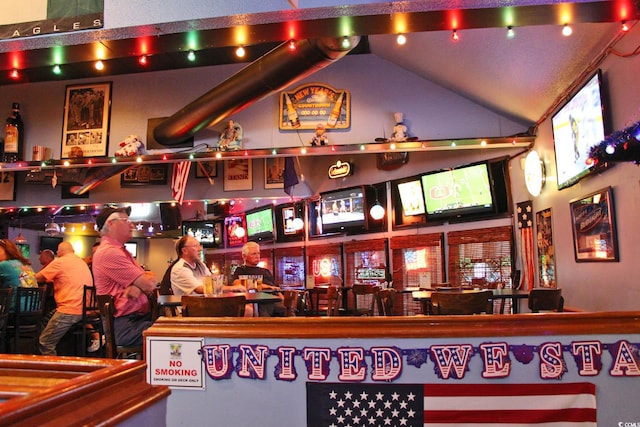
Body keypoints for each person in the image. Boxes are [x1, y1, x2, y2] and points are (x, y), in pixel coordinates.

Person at [92, 206, 157, 347]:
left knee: (176, 331)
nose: (132, 225)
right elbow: (149, 284)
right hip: (124, 326)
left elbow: (150, 278)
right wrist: (141, 284)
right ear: (111, 224)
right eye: (126, 220)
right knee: (176, 333)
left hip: (133, 321)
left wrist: (137, 286)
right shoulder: (110, 253)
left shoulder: (119, 251)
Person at [35, 241, 94, 356]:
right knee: (46, 319)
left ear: (60, 251)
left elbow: (39, 277)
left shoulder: (60, 262)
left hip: (70, 310)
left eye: (57, 251)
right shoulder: (80, 262)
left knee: (45, 342)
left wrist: (25, 275)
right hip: (85, 309)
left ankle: (53, 371)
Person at [230, 241, 285, 317]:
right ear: (244, 256)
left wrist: (280, 296)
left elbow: (275, 287)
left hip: (274, 300)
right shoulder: (241, 270)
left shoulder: (266, 271)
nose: (257, 256)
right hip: (258, 301)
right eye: (254, 254)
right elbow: (237, 283)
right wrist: (266, 286)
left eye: (258, 253)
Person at [0, 239, 39, 313]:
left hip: (14, 313)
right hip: (34, 311)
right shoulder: (25, 265)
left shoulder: (3, 265)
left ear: (7, 251)